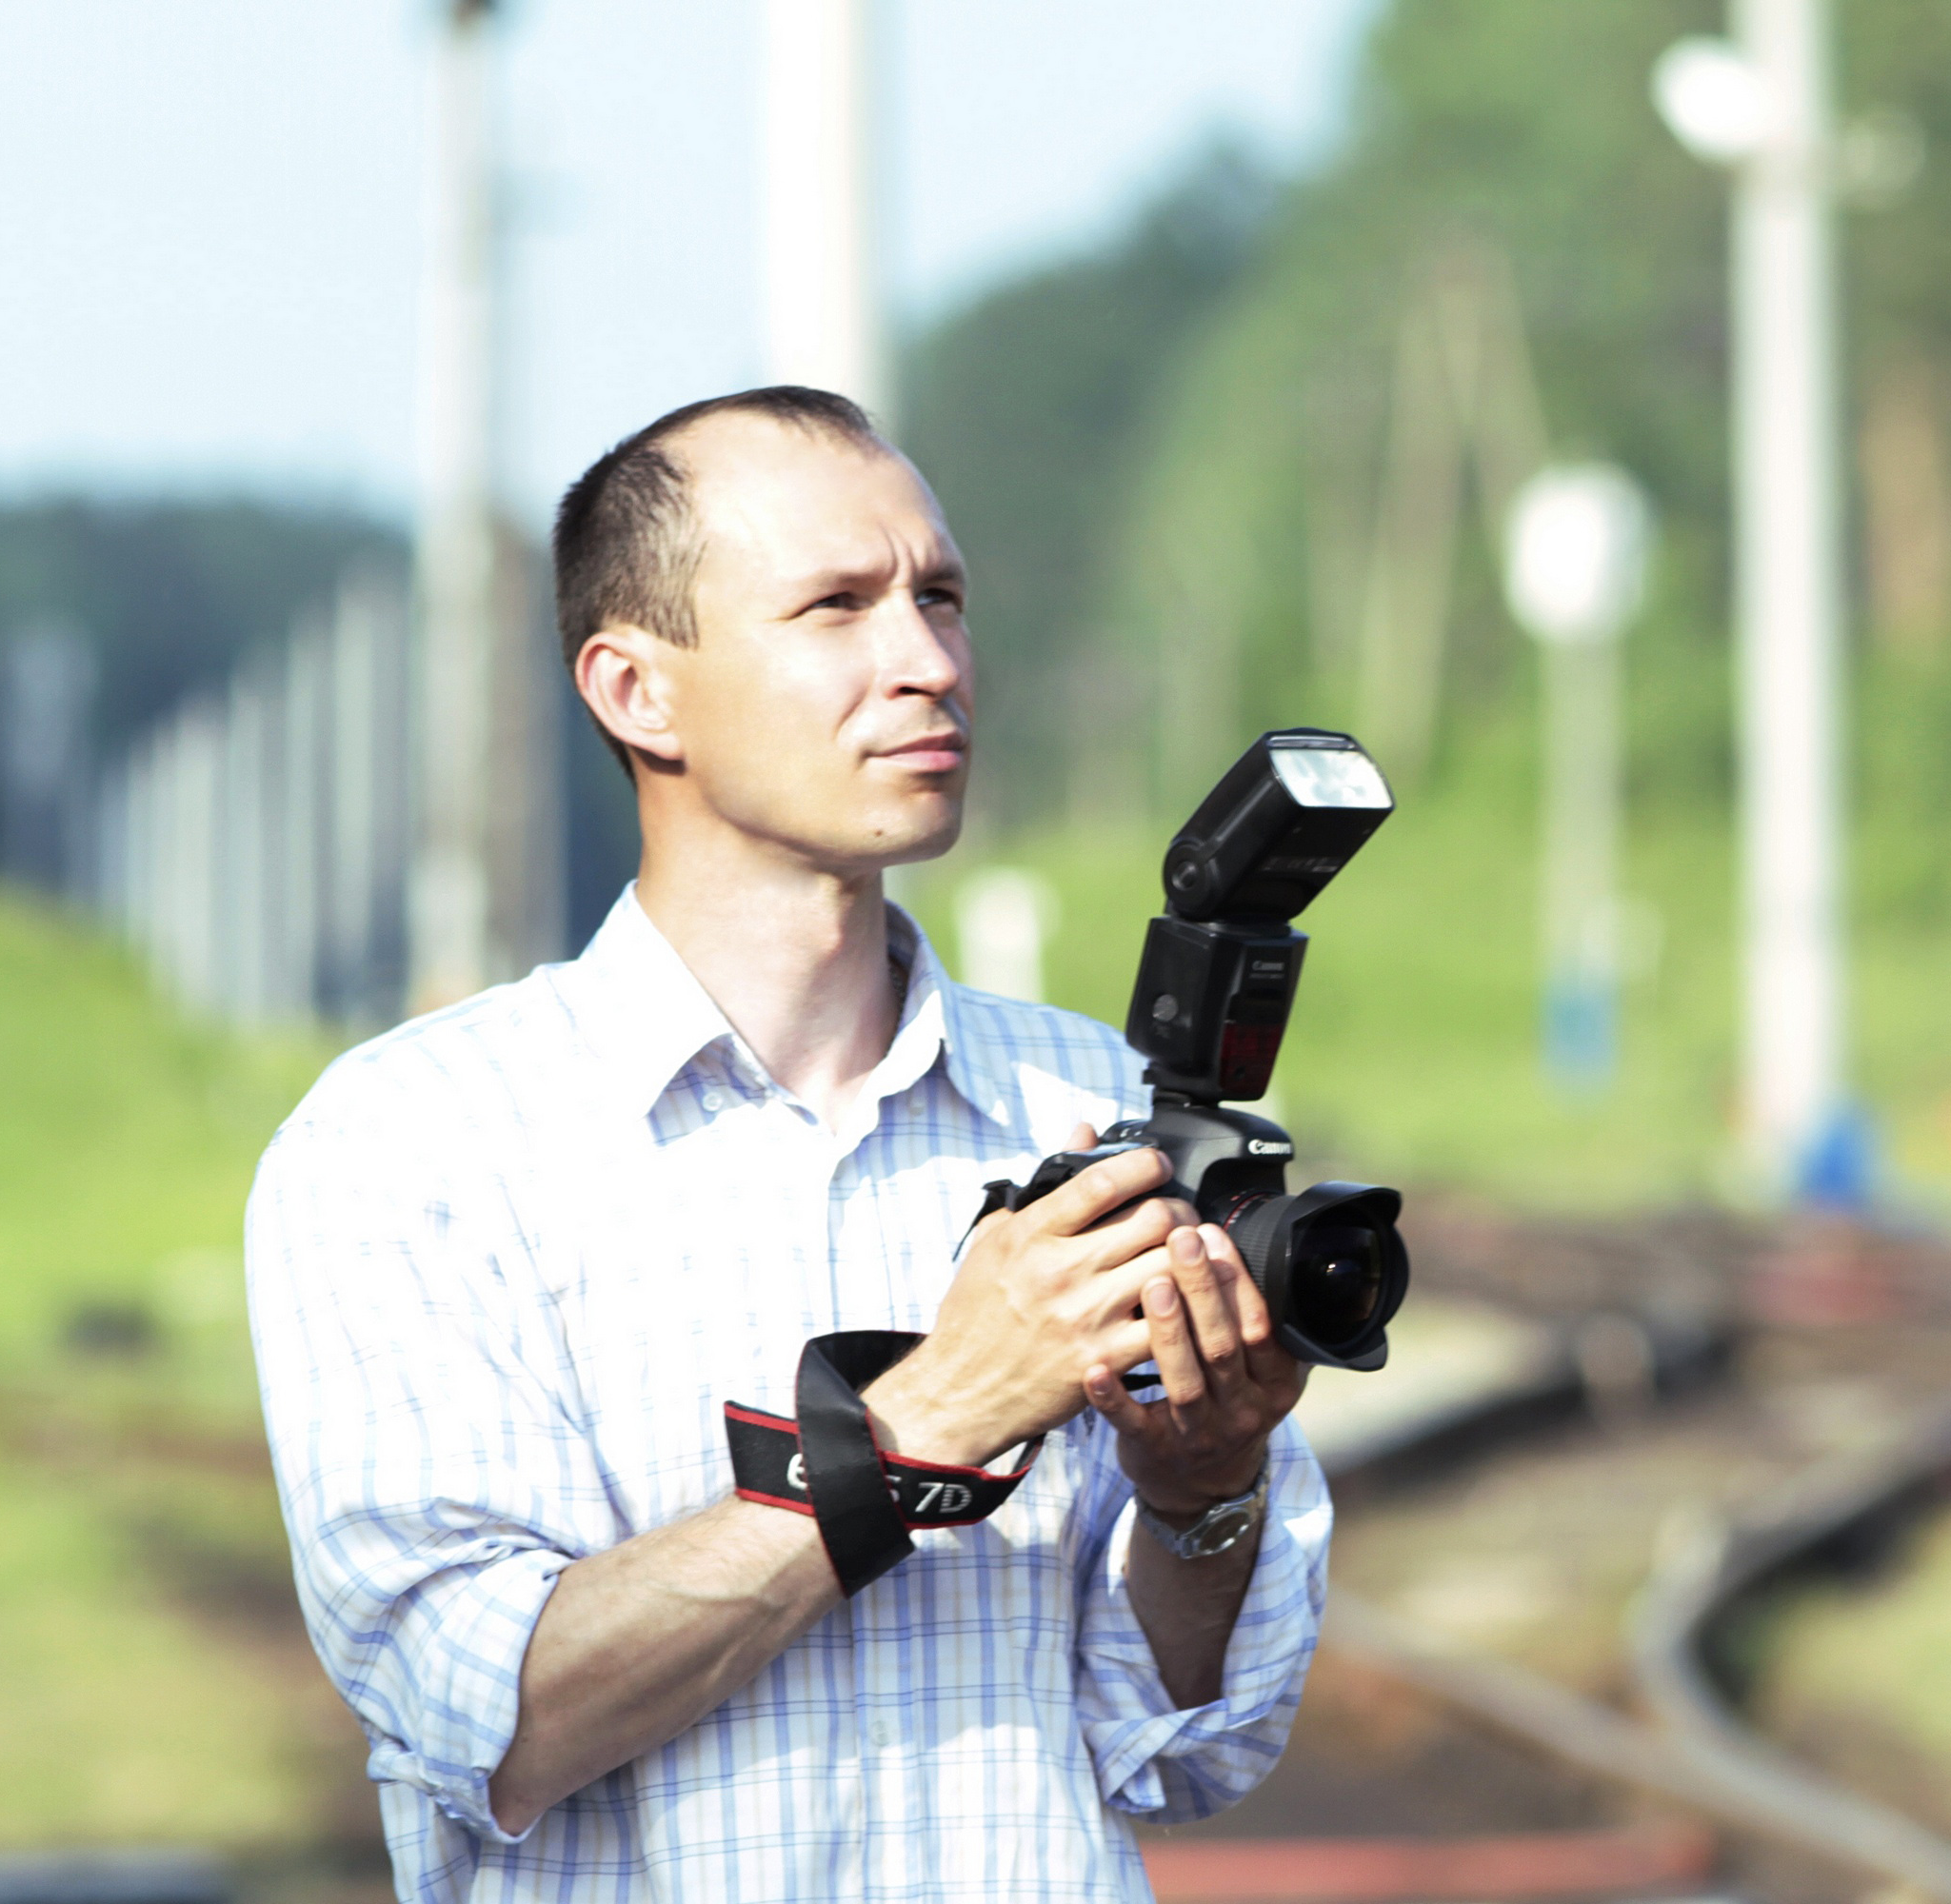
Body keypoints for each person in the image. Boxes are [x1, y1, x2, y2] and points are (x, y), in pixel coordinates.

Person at [246, 387, 1328, 1903]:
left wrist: (1205, 1491)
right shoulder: (414, 1145)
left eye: (940, 597)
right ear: (638, 692)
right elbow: (493, 1717)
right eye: (837, 607)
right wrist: (928, 1421)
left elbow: (1182, 1753)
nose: (929, 662)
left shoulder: (1090, 1105)